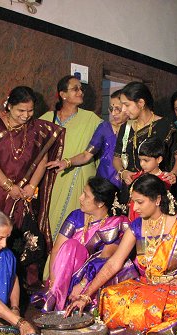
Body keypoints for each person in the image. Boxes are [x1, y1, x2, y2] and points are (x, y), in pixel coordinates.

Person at [66, 174, 177, 335]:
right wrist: (86, 295)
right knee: (110, 296)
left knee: (152, 308)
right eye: (133, 201)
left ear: (158, 200)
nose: (135, 208)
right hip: (150, 284)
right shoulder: (137, 226)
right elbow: (114, 263)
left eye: (140, 202)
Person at [0, 86, 65, 289]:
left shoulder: (35, 128)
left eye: (30, 111)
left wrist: (32, 185)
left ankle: (25, 284)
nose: (26, 116)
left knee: (26, 236)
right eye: (20, 111)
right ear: (9, 106)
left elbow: (42, 158)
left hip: (25, 194)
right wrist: (9, 186)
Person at [33, 177, 136, 311]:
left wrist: (83, 284)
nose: (80, 198)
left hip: (93, 278)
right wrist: (54, 283)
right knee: (71, 246)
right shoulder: (76, 216)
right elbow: (57, 250)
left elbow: (105, 260)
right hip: (66, 274)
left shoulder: (114, 224)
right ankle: (57, 297)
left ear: (100, 203)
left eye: (86, 195)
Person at [40, 75, 102, 245]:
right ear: (63, 94)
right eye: (75, 89)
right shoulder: (47, 118)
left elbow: (109, 138)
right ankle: (50, 265)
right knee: (50, 222)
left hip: (81, 178)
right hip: (54, 179)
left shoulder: (91, 119)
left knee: (77, 226)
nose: (80, 92)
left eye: (81, 89)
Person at [113, 82, 177, 203]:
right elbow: (117, 157)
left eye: (127, 105)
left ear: (141, 103)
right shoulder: (125, 128)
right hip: (131, 190)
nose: (124, 110)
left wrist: (173, 174)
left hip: (156, 190)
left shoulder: (165, 125)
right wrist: (123, 172)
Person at [46, 90, 128, 189]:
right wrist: (66, 162)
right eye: (111, 109)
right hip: (105, 184)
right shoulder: (105, 128)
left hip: (129, 181)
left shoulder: (136, 129)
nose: (113, 113)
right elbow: (86, 155)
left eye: (118, 109)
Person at [128, 137, 171, 221]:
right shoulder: (137, 176)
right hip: (134, 215)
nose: (142, 164)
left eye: (146, 160)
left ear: (159, 159)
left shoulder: (165, 180)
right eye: (140, 160)